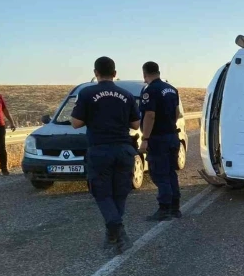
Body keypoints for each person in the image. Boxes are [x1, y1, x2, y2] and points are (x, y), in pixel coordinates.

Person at [71, 57, 140, 253]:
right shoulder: (126, 95)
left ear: (95, 72)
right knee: (119, 193)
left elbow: (76, 123)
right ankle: (114, 234)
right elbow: (136, 124)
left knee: (102, 194)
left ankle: (117, 231)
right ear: (115, 73)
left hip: (100, 150)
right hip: (123, 149)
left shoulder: (86, 93)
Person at [138, 61, 182, 220]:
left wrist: (145, 138)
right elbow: (177, 113)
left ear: (144, 73)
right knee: (170, 172)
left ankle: (164, 209)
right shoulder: (172, 89)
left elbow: (150, 115)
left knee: (159, 173)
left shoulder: (150, 90)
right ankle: (175, 208)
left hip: (158, 138)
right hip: (172, 136)